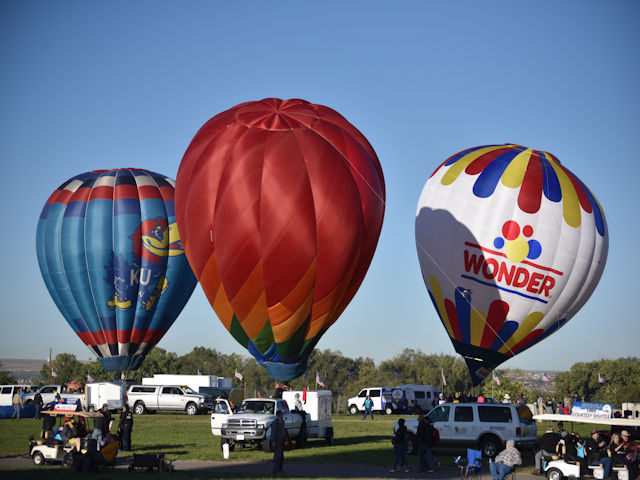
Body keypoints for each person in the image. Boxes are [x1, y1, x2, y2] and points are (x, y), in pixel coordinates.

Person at [269, 410, 285, 474]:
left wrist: (286, 439)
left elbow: (284, 431)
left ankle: (280, 468)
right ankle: (276, 468)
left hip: (281, 440)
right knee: (278, 455)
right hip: (277, 440)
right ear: (279, 415)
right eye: (281, 414)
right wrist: (273, 442)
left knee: (282, 456)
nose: (282, 415)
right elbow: (273, 433)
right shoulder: (276, 422)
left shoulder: (282, 421)